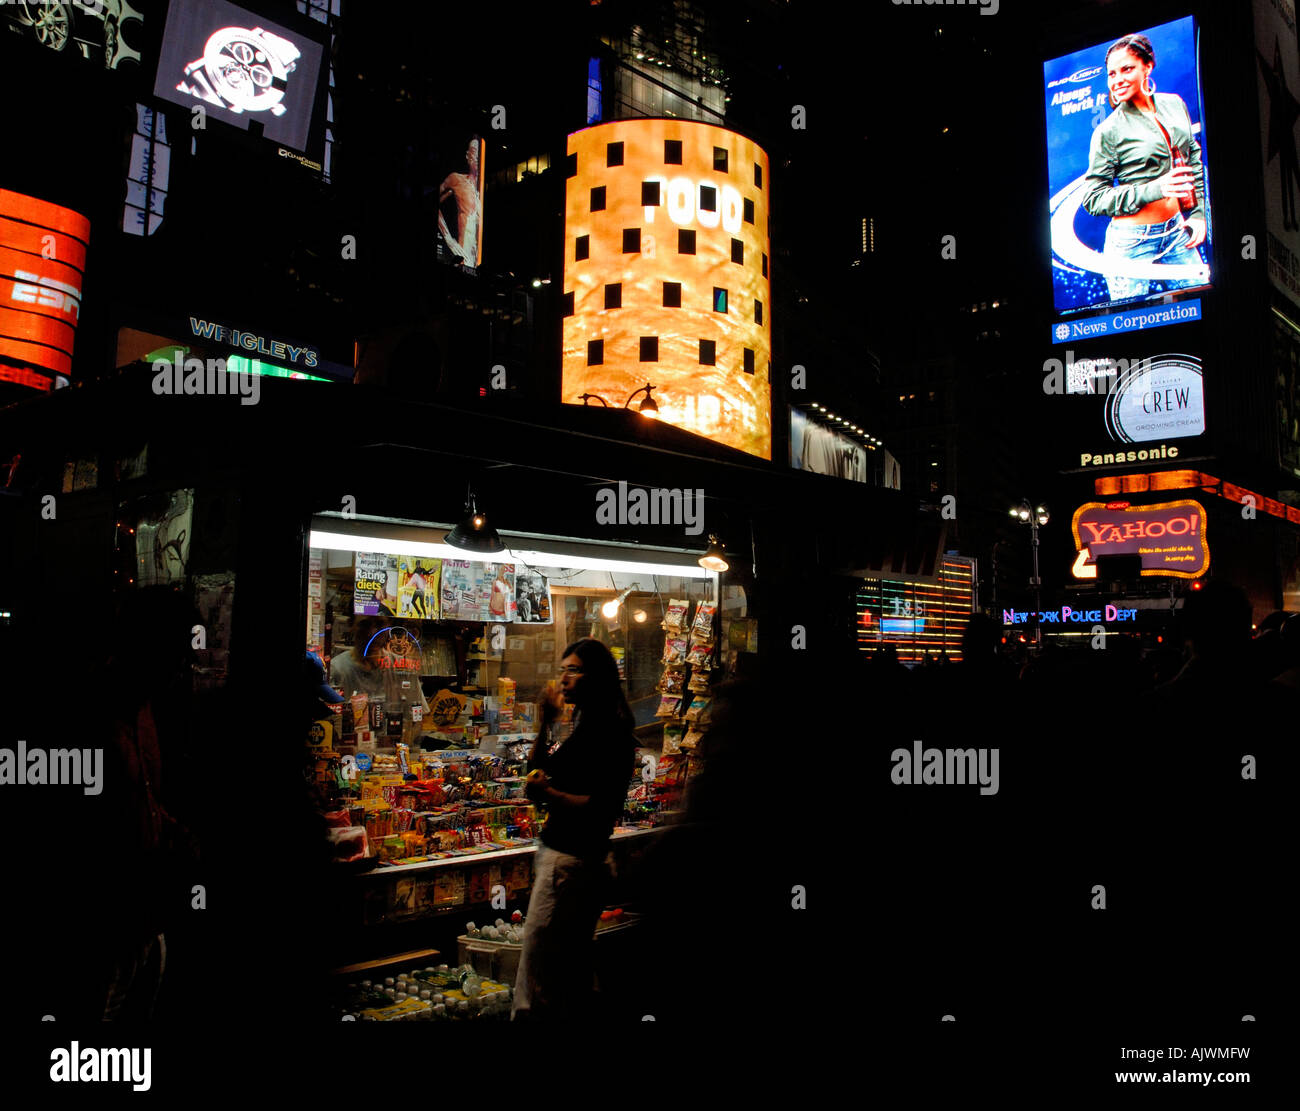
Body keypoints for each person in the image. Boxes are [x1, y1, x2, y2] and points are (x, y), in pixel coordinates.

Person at [512, 638, 637, 1020]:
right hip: (573, 858)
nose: (563, 679)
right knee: (570, 970)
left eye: (573, 670)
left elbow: (600, 804)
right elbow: (540, 771)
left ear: (594, 675)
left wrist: (548, 792)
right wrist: (545, 722)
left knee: (537, 975)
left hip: (570, 860)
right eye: (563, 669)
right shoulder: (586, 723)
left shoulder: (607, 730)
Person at [1081, 33, 1208, 303]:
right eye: (1112, 73)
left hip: (1177, 232)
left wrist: (1197, 214)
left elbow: (1193, 154)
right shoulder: (1108, 130)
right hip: (1131, 243)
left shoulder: (1174, 104)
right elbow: (1093, 198)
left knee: (1207, 310)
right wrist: (1156, 189)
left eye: (1126, 69)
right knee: (1131, 333)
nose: (1117, 80)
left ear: (1148, 66)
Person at [438, 137, 481, 266]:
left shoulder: (480, 190)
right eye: (474, 151)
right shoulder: (456, 179)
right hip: (462, 255)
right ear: (468, 155)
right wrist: (448, 238)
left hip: (475, 261)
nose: (477, 156)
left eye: (479, 153)